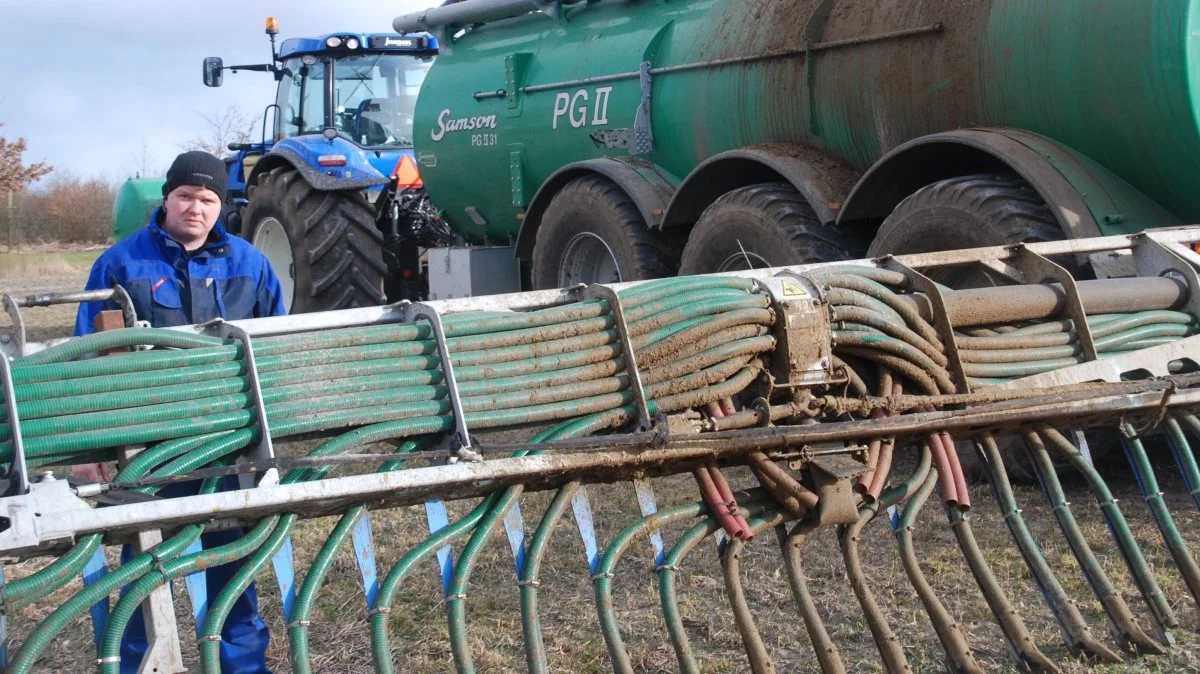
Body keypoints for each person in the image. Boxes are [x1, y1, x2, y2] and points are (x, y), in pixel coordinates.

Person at [75, 150, 285, 674]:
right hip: (150, 449)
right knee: (145, 567)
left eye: (208, 199)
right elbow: (86, 358)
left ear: (222, 205)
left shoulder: (249, 263)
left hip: (227, 445)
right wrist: (88, 451)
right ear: (166, 198)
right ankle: (136, 664)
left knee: (231, 565)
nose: (196, 207)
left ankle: (242, 666)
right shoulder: (121, 263)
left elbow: (276, 350)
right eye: (186, 196)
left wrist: (272, 438)